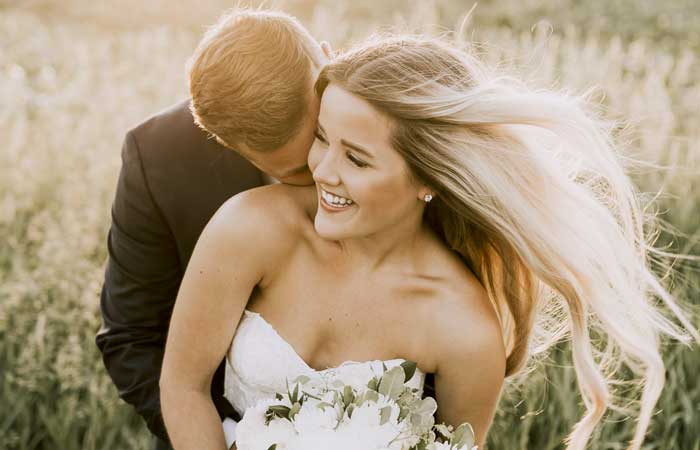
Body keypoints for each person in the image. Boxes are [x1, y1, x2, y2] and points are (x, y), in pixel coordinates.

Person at [159, 33, 700, 450]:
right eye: (323, 137)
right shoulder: (250, 229)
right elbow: (183, 388)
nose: (322, 170)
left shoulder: (463, 331)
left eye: (358, 158)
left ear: (426, 181)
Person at [95, 9, 332, 450]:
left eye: (324, 133)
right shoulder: (159, 158)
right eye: (300, 170)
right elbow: (133, 337)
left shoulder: (392, 117)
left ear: (326, 58)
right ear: (222, 140)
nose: (328, 170)